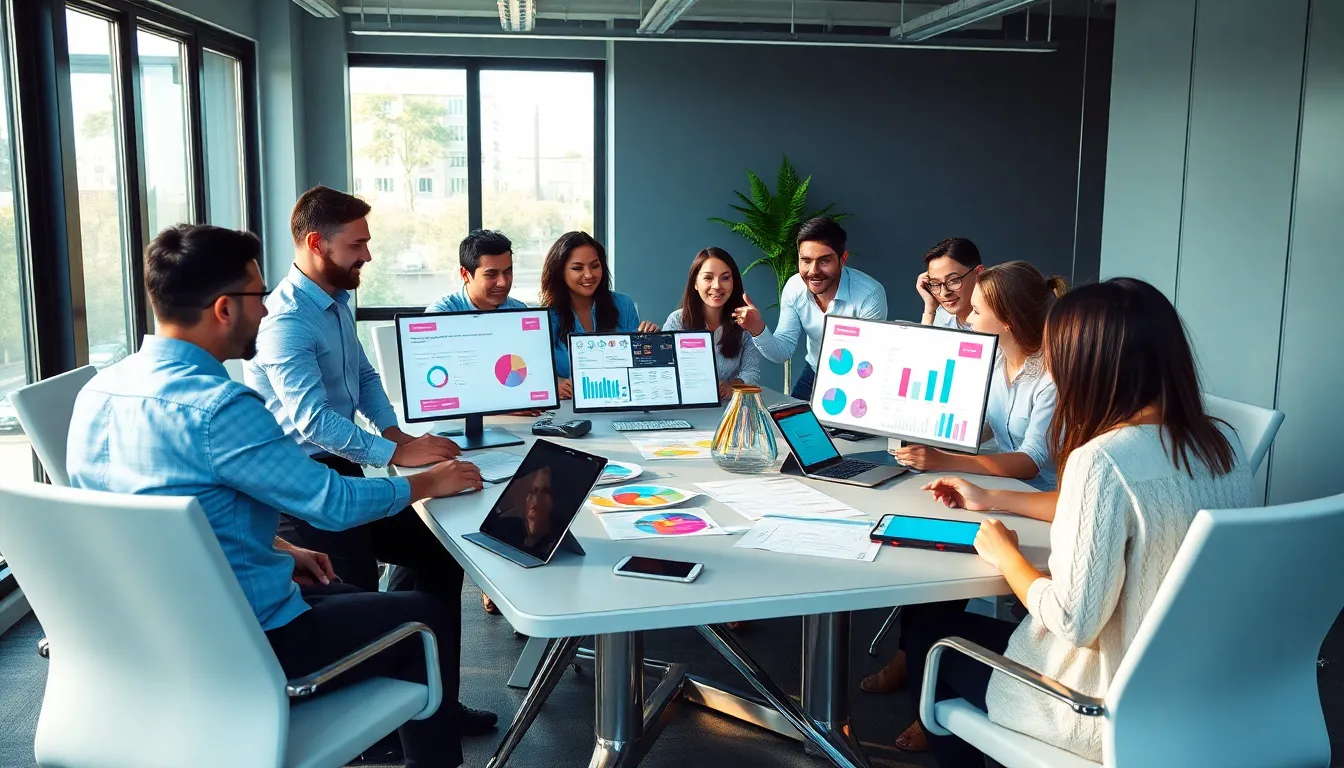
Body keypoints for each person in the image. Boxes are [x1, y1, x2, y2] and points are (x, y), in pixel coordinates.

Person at [67, 224, 484, 768]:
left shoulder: (98, 389)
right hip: (242, 637)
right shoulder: (220, 407)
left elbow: (152, 517)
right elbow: (332, 504)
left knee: (370, 591)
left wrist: (283, 552)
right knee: (422, 618)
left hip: (147, 631)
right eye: (258, 296)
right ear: (223, 308)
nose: (265, 310)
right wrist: (428, 483)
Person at [893, 278, 1250, 763]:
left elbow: (1072, 622)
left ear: (1089, 363)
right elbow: (1114, 509)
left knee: (928, 632)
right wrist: (990, 498)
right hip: (1201, 694)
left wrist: (1007, 555)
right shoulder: (1220, 445)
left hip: (1095, 705)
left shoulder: (1103, 459)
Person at [243, 185, 498, 742]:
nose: (368, 255)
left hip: (343, 472)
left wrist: (395, 433)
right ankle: (376, 735)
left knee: (437, 554)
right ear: (317, 243)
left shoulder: (334, 302)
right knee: (365, 606)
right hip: (304, 492)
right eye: (357, 244)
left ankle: (432, 705)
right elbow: (312, 421)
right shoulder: (286, 320)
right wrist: (394, 455)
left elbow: (361, 376)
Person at [891, 261, 1067, 492]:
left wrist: (942, 460)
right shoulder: (995, 359)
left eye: (976, 311)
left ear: (1007, 321)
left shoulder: (1051, 378)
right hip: (1004, 486)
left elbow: (1031, 461)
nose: (970, 320)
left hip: (1043, 496)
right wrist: (932, 446)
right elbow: (986, 426)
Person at [732, 217, 887, 400]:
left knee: (839, 429)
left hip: (855, 378)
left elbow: (867, 361)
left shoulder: (870, 294)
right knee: (791, 425)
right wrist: (757, 328)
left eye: (824, 261)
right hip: (814, 372)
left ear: (842, 259)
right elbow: (782, 352)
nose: (813, 271)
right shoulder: (794, 286)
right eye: (806, 260)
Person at [539, 231, 658, 399]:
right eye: (577, 268)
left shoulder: (623, 304)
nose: (589, 275)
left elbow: (638, 365)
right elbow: (535, 374)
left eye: (595, 266)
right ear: (560, 272)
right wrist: (553, 385)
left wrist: (652, 342)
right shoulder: (546, 317)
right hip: (570, 408)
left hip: (620, 401)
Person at [663, 247, 763, 400]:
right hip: (688, 407)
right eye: (708, 278)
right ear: (695, 283)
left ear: (733, 283)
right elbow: (666, 371)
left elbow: (751, 372)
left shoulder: (745, 321)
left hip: (729, 408)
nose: (717, 286)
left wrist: (732, 385)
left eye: (725, 278)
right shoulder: (677, 321)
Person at [425, 229, 529, 313]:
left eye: (507, 272)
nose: (503, 282)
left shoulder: (522, 312)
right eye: (491, 274)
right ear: (465, 275)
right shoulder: (440, 316)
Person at [917, 238, 983, 332]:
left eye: (953, 280)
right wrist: (930, 310)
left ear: (978, 273)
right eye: (935, 283)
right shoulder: (940, 315)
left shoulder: (999, 322)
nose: (944, 293)